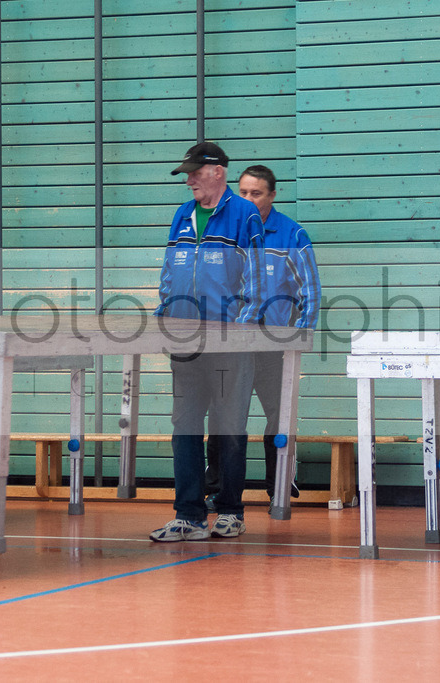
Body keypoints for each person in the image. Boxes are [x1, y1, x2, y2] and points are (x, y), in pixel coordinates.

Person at [149, 141, 264, 542]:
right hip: (185, 341)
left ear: (218, 171)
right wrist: (164, 315)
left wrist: (241, 330)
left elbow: (256, 278)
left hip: (229, 342)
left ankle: (231, 510)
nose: (190, 179)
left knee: (228, 426)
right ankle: (189, 515)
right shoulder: (182, 214)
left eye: (196, 171)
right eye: (187, 173)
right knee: (184, 424)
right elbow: (169, 272)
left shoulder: (243, 214)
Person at [203, 165, 322, 511]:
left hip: (273, 349)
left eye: (256, 193)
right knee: (223, 419)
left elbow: (310, 293)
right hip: (229, 348)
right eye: (242, 192)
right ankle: (218, 493)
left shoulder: (291, 235)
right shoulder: (224, 232)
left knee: (278, 419)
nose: (248, 199)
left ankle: (279, 490)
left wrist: (300, 340)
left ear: (272, 195)